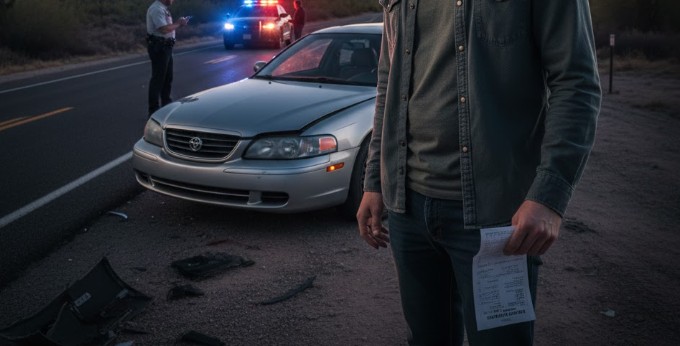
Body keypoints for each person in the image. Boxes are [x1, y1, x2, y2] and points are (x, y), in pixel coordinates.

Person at [357, 1, 601, 345]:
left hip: (496, 216)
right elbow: (388, 79)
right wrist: (374, 182)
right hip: (408, 209)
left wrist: (549, 196)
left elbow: (577, 83)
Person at [146, 0, 189, 116]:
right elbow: (163, 29)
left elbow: (168, 28)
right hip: (159, 47)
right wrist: (179, 23)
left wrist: (179, 23)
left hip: (166, 47)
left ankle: (166, 106)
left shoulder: (163, 9)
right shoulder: (156, 9)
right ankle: (153, 110)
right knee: (158, 79)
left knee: (167, 78)